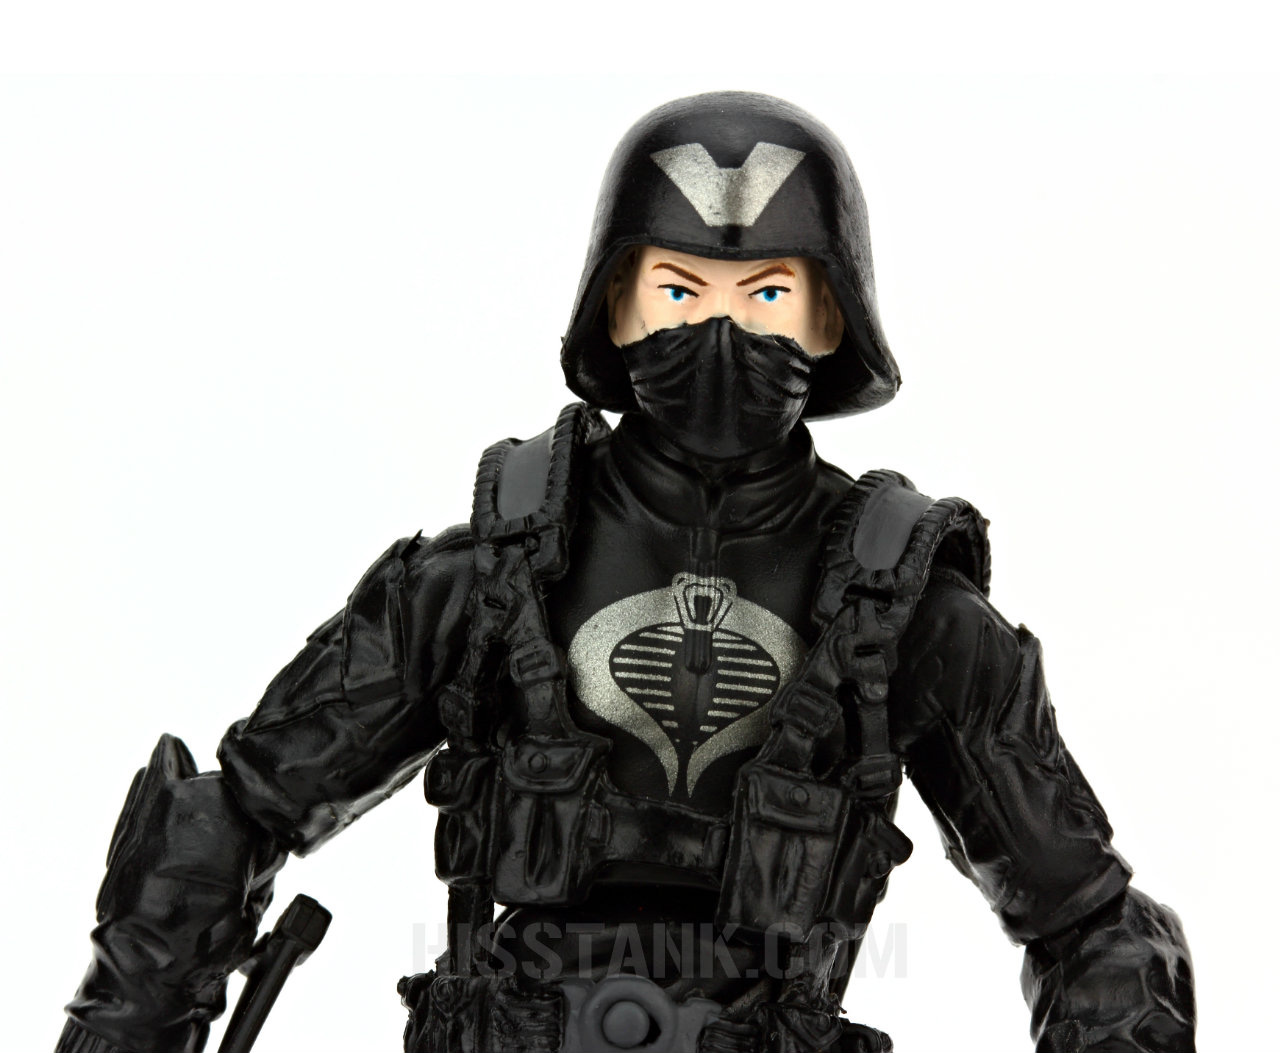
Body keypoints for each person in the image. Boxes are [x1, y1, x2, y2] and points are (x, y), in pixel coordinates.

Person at [59, 91, 1195, 1053]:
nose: (719, 331)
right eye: (678, 290)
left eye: (765, 294)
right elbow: (227, 818)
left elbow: (1091, 930)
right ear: (615, 304)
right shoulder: (481, 581)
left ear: (829, 319)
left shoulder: (912, 617)